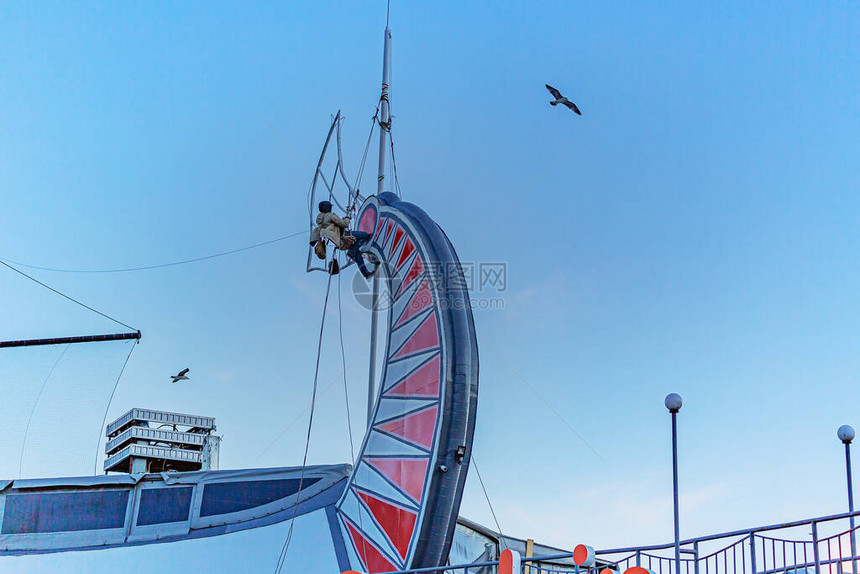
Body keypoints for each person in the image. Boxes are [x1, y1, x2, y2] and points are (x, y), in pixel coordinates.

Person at [314, 200, 375, 278]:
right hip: (343, 237)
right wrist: (347, 218)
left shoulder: (319, 220)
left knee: (357, 253)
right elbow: (344, 224)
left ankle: (366, 273)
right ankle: (352, 252)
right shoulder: (330, 216)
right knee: (365, 235)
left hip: (338, 242)